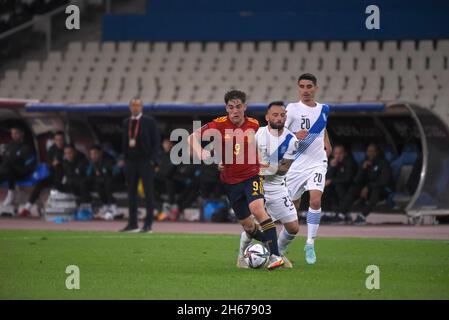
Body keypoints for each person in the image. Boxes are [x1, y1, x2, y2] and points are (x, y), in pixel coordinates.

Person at [188, 90, 284, 270]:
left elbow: (265, 145)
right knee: (248, 226)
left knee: (257, 209)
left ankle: (275, 256)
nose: (235, 110)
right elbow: (191, 138)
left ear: (244, 107)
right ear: (226, 108)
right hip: (230, 182)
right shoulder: (218, 124)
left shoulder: (255, 125)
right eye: (231, 107)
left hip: (252, 176)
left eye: (238, 107)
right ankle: (272, 248)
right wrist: (203, 154)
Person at [284, 73, 332, 265]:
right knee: (291, 212)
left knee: (315, 199)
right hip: (296, 164)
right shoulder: (292, 109)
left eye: (309, 86)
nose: (305, 90)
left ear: (316, 88)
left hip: (317, 162)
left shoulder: (324, 109)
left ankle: (310, 243)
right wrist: (295, 133)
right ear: (298, 88)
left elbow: (322, 129)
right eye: (302, 86)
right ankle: (283, 244)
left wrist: (327, 144)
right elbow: (281, 131)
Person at [254, 101, 299, 268]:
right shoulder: (257, 134)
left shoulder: (291, 140)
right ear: (267, 117)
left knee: (293, 227)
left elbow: (283, 170)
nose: (279, 118)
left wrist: (262, 166)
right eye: (275, 115)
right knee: (255, 225)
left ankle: (278, 252)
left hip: (278, 187)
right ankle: (241, 256)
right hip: (258, 185)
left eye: (282, 115)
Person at [120, 98, 161, 233]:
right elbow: (124, 142)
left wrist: (152, 160)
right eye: (133, 105)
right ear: (129, 107)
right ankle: (132, 223)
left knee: (148, 192)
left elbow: (156, 142)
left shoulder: (149, 122)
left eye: (137, 105)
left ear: (142, 107)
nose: (135, 107)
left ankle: (148, 224)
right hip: (131, 162)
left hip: (145, 161)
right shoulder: (126, 122)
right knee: (131, 193)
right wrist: (124, 158)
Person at [337, 143, 393, 224]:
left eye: (372, 151)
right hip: (366, 190)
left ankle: (362, 216)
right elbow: (356, 180)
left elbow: (385, 181)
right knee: (354, 188)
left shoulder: (383, 163)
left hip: (383, 190)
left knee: (376, 190)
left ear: (377, 152)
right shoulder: (364, 162)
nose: (370, 153)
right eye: (368, 151)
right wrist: (362, 169)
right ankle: (341, 214)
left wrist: (368, 187)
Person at [19, 131, 66, 217]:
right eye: (57, 140)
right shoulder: (52, 149)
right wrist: (52, 164)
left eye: (61, 139)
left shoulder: (68, 149)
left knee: (58, 176)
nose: (59, 141)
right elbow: (48, 163)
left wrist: (61, 162)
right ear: (54, 140)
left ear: (64, 140)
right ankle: (27, 208)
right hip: (53, 176)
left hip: (65, 177)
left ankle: (47, 208)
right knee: (40, 184)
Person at [0, 127, 36, 208]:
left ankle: (11, 193)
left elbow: (26, 161)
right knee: (6, 167)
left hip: (21, 172)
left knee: (8, 167)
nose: (13, 135)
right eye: (12, 133)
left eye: (16, 133)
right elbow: (6, 157)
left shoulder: (26, 146)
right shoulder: (10, 145)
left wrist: (12, 157)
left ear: (21, 134)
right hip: (8, 172)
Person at [322, 144, 357, 223]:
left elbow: (348, 179)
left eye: (340, 153)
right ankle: (333, 213)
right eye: (335, 153)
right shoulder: (334, 162)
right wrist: (333, 167)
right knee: (326, 188)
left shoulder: (349, 162)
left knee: (338, 187)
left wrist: (331, 181)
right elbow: (328, 178)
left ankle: (342, 214)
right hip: (338, 187)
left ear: (344, 153)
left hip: (351, 187)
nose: (337, 156)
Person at [86, 145, 118, 218]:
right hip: (102, 182)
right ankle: (105, 206)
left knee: (107, 183)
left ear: (100, 153)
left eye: (95, 154)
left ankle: (114, 208)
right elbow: (88, 174)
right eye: (91, 154)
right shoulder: (92, 163)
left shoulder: (108, 160)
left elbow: (115, 173)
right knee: (98, 184)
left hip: (114, 182)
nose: (93, 156)